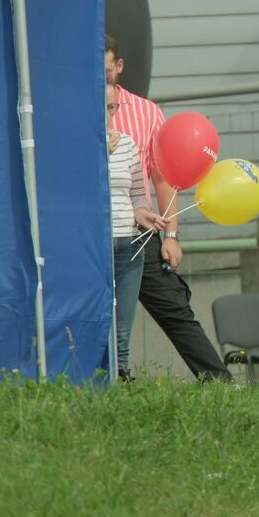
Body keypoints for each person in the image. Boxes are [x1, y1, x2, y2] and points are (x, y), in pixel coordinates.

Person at [105, 35, 232, 381]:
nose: (102, 80)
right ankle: (107, 381)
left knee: (174, 308)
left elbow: (163, 177)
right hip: (96, 233)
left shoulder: (147, 113)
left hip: (140, 232)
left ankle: (219, 381)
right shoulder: (77, 109)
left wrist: (171, 234)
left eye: (106, 71)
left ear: (119, 67)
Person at [104, 83, 166, 380]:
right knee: (98, 322)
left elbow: (139, 192)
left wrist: (143, 214)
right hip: (96, 247)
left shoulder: (127, 144)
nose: (109, 115)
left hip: (129, 243)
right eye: (102, 108)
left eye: (112, 108)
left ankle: (123, 379)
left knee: (123, 331)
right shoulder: (76, 147)